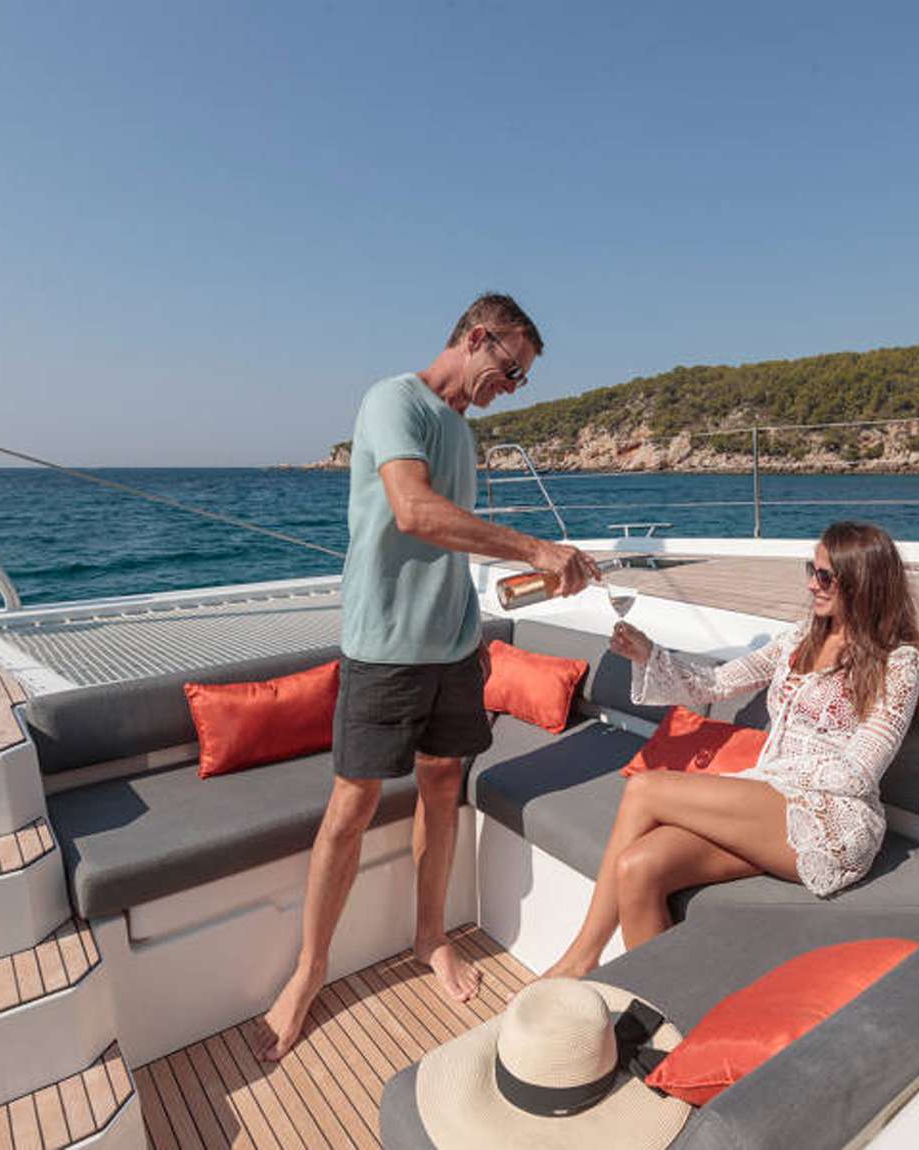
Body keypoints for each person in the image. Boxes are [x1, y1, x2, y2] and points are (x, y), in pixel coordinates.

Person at [256, 293, 598, 1061]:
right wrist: (536, 549)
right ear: (477, 338)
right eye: (510, 370)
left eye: (522, 379)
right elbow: (413, 512)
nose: (512, 388)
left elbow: (453, 544)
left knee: (443, 789)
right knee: (352, 806)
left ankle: (429, 936)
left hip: (454, 647)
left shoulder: (462, 433)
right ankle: (309, 972)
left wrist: (512, 597)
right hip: (384, 648)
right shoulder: (394, 401)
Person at [545, 520, 919, 978]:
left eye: (825, 576)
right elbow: (715, 683)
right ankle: (660, 1005)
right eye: (812, 570)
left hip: (831, 819)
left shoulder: (898, 661)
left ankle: (579, 960)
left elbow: (859, 772)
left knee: (645, 788)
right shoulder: (800, 639)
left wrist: (762, 780)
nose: (812, 584)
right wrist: (649, 654)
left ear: (861, 581)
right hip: (771, 804)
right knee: (637, 867)